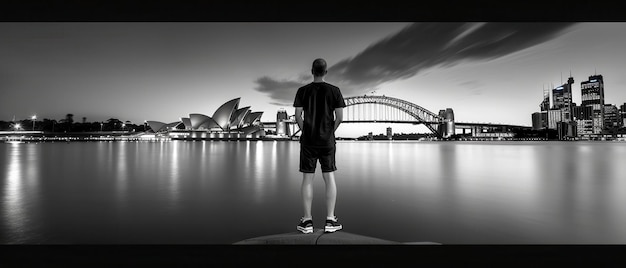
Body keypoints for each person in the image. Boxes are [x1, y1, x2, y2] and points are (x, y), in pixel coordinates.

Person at [293, 58, 346, 234]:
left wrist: (305, 130)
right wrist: (330, 131)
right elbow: (339, 118)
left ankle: (307, 221)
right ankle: (331, 220)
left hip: (308, 141)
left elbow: (298, 115)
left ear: (311, 71)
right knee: (329, 178)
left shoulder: (302, 91)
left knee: (307, 179)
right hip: (327, 142)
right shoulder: (335, 91)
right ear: (326, 72)